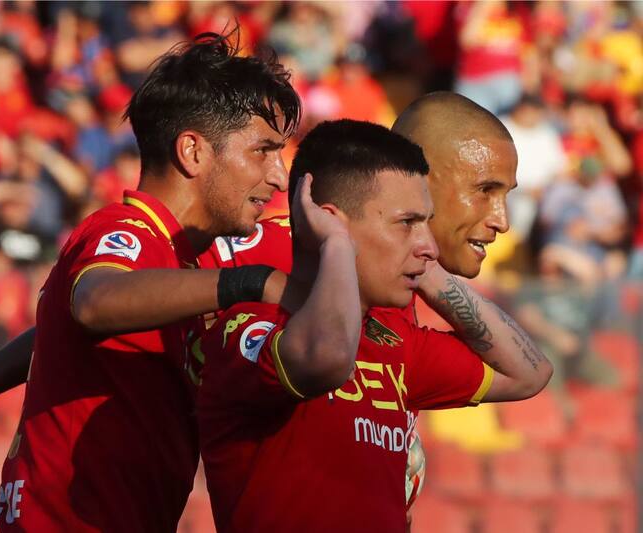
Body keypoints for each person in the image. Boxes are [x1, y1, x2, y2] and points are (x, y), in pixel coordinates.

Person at [0, 92, 520, 523]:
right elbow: (111, 304)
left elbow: (524, 371)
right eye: (485, 189)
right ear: (421, 176)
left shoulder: (398, 287)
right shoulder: (276, 250)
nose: (502, 218)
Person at [0, 30, 301, 533]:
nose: (278, 175)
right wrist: (247, 282)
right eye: (263, 151)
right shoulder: (125, 231)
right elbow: (95, 305)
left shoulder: (176, 259)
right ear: (193, 152)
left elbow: (59, 325)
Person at [196, 119, 552, 532]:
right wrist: (336, 246)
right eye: (407, 223)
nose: (429, 246)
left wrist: (427, 272)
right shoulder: (249, 327)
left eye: (426, 223)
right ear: (330, 221)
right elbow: (328, 359)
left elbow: (529, 372)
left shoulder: (395, 342)